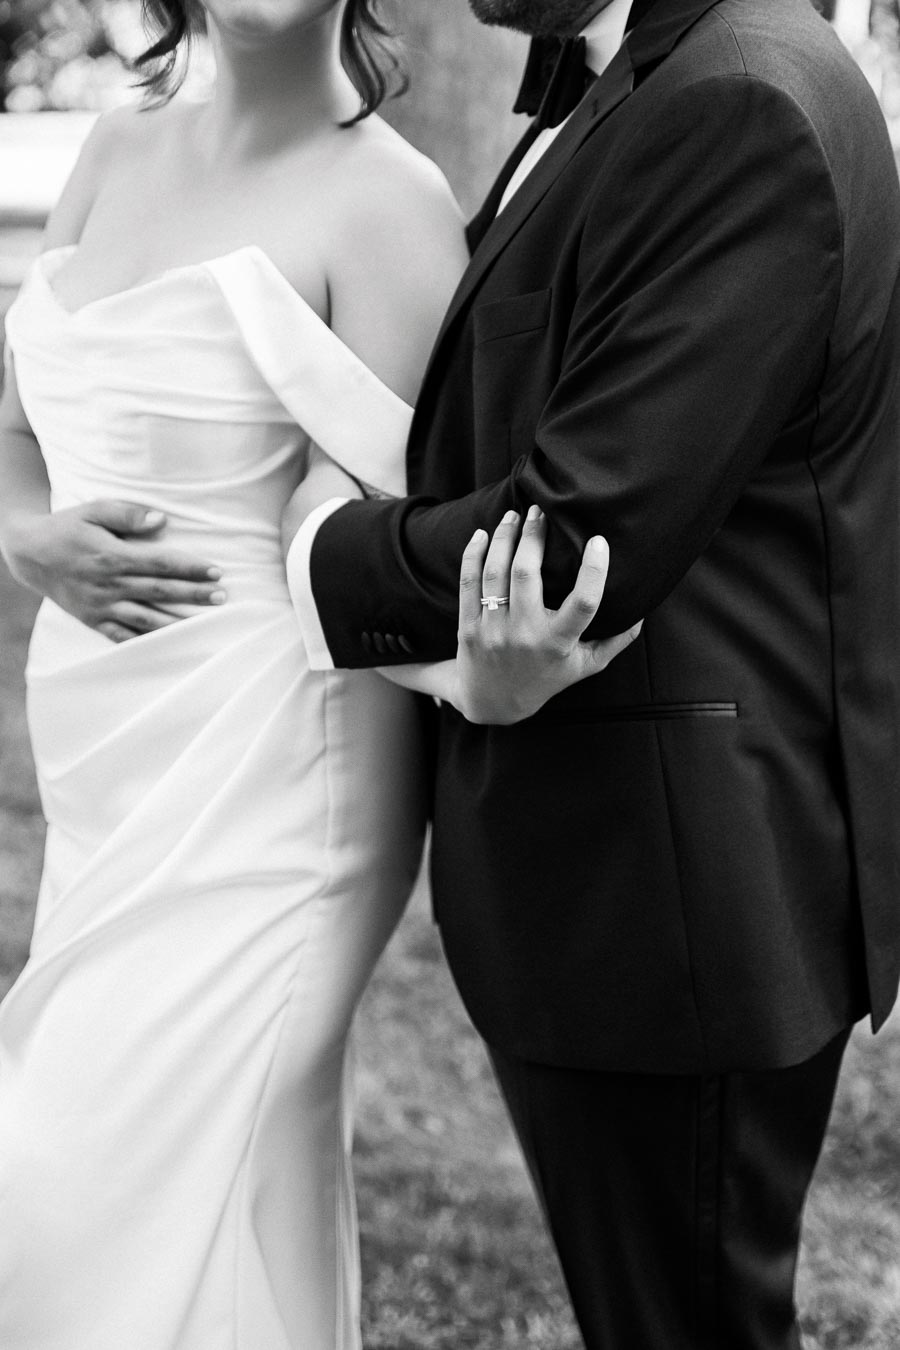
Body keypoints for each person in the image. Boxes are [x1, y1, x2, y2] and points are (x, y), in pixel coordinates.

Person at [0, 1, 640, 1345]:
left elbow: (409, 552)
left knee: (80, 1172)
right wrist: (23, 538)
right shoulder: (113, 150)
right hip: (103, 773)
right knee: (204, 1195)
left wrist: (482, 685)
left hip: (276, 784)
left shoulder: (387, 205)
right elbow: (19, 435)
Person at [283, 0, 900, 1346]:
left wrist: (320, 555)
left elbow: (573, 541)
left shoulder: (741, 98)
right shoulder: (646, 69)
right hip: (635, 874)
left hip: (680, 897)